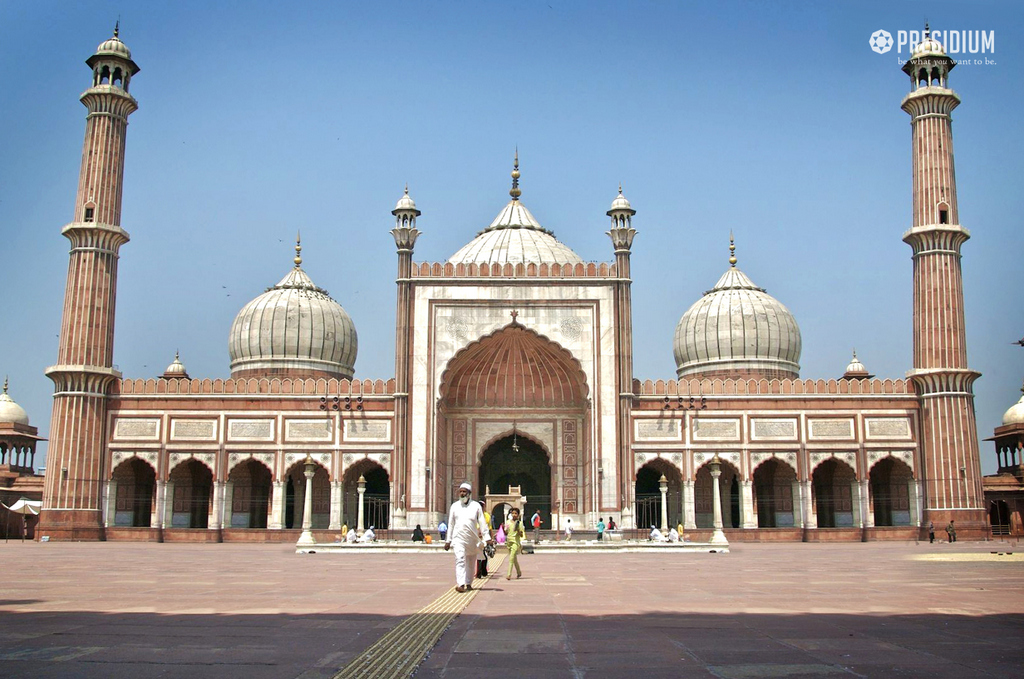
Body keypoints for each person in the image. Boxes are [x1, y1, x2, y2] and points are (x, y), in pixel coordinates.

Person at [444, 482, 491, 592]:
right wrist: (448, 540)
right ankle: (460, 584)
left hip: (472, 539)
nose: (462, 493)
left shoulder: (476, 506)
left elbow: (482, 522)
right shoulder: (454, 506)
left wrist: (487, 538)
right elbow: (450, 524)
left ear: (469, 493)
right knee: (459, 559)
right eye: (460, 491)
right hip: (458, 538)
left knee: (470, 562)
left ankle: (468, 583)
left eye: (464, 491)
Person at [504, 507, 526, 580]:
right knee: (514, 559)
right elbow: (506, 532)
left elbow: (521, 535)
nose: (514, 515)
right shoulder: (508, 522)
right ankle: (519, 572)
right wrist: (503, 528)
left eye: (515, 513)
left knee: (511, 558)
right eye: (512, 513)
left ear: (518, 515)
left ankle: (509, 574)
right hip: (509, 542)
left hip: (515, 542)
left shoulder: (519, 523)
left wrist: (518, 531)